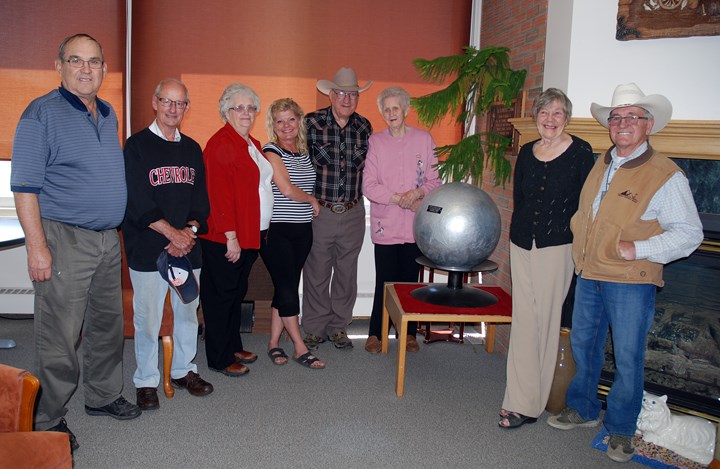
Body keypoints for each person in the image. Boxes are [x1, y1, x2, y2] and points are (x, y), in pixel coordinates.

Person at [546, 83, 703, 463]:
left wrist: (640, 249)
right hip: (589, 272)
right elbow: (590, 213)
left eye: (632, 117)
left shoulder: (665, 174)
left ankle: (620, 429)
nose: (622, 123)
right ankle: (583, 409)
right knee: (584, 346)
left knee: (628, 357)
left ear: (648, 125)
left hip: (631, 280)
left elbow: (691, 233)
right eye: (616, 117)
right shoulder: (603, 163)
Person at [10, 33, 141, 451]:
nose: (86, 69)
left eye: (94, 62)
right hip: (63, 238)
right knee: (60, 335)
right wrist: (37, 247)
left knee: (107, 326)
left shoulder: (107, 112)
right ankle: (47, 418)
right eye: (76, 60)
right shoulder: (40, 114)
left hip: (106, 240)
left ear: (104, 69)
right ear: (59, 66)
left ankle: (102, 396)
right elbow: (25, 187)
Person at [498, 88, 595, 429]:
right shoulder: (527, 151)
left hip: (557, 247)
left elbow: (587, 206)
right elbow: (520, 197)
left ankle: (533, 404)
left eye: (557, 113)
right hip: (523, 242)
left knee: (546, 322)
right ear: (536, 117)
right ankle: (518, 399)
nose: (550, 120)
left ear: (566, 117)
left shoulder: (581, 152)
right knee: (524, 320)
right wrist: (517, 238)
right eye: (544, 113)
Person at [122, 78, 213, 411]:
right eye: (167, 102)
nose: (174, 109)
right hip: (148, 250)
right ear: (155, 102)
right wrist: (171, 234)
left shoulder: (192, 148)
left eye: (181, 103)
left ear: (187, 107)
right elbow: (137, 201)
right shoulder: (136, 146)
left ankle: (183, 371)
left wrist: (187, 232)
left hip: (188, 249)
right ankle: (146, 380)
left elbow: (201, 203)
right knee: (147, 319)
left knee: (188, 312)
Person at [200, 83, 273, 377]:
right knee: (220, 297)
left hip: (250, 235)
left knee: (235, 292)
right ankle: (219, 357)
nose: (245, 112)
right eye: (238, 107)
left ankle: (232, 345)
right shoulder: (220, 144)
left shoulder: (251, 143)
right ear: (225, 111)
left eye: (250, 107)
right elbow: (218, 196)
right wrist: (231, 237)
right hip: (225, 239)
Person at [362, 86, 441, 354]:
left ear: (406, 110)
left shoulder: (424, 139)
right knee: (385, 281)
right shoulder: (376, 142)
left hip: (414, 225)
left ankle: (408, 334)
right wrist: (397, 198)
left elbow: (435, 181)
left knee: (409, 282)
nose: (391, 113)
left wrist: (417, 193)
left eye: (396, 108)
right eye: (386, 109)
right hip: (386, 223)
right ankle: (376, 333)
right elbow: (369, 185)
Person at [302, 67, 373, 350]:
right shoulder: (311, 123)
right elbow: (295, 162)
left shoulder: (364, 127)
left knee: (346, 273)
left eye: (353, 94)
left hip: (354, 212)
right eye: (341, 93)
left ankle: (339, 328)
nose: (347, 99)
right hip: (320, 211)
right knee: (317, 271)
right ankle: (315, 329)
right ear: (330, 94)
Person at [260, 98, 325, 369]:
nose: (286, 125)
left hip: (302, 232)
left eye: (291, 119)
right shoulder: (271, 150)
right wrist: (312, 200)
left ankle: (273, 343)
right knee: (288, 288)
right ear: (273, 125)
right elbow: (285, 188)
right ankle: (300, 346)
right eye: (279, 121)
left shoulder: (305, 151)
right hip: (277, 232)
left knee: (284, 286)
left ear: (300, 121)